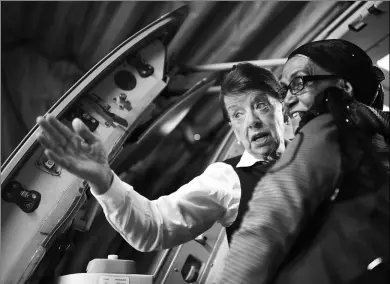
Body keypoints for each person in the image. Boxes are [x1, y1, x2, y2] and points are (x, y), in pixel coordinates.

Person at [35, 63, 288, 251]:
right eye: (237, 114)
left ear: (283, 107)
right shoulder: (226, 178)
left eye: (260, 105)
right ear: (233, 128)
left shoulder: (318, 148)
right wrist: (104, 182)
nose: (252, 122)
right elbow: (154, 227)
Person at [218, 39, 389, 284]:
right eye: (284, 90)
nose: (287, 100)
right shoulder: (378, 130)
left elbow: (266, 224)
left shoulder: (325, 127)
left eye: (298, 83)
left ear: (343, 86)